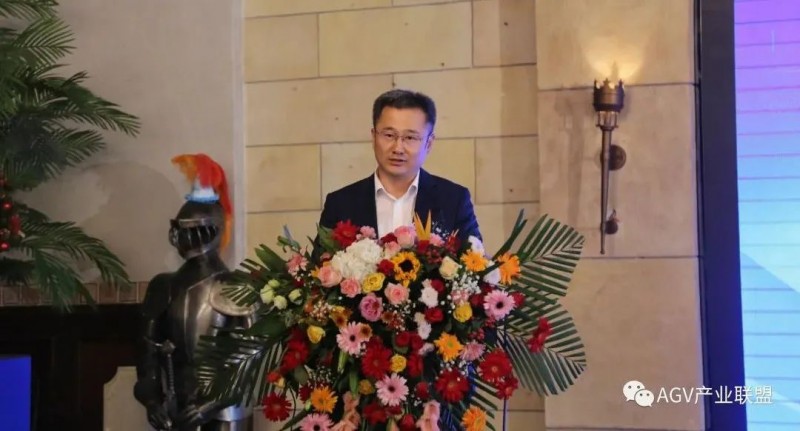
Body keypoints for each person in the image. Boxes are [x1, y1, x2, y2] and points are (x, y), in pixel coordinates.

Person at [134, 154, 257, 431]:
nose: (184, 239)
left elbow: (249, 363)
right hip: (175, 410)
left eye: (192, 231)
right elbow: (147, 357)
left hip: (226, 414)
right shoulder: (163, 286)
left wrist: (208, 406)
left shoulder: (238, 287)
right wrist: (153, 402)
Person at [319, 89, 482, 241]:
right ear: (374, 137)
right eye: (389, 135)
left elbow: (475, 259)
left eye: (410, 138)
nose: (398, 148)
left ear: (429, 143)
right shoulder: (340, 204)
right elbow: (321, 261)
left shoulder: (454, 200)